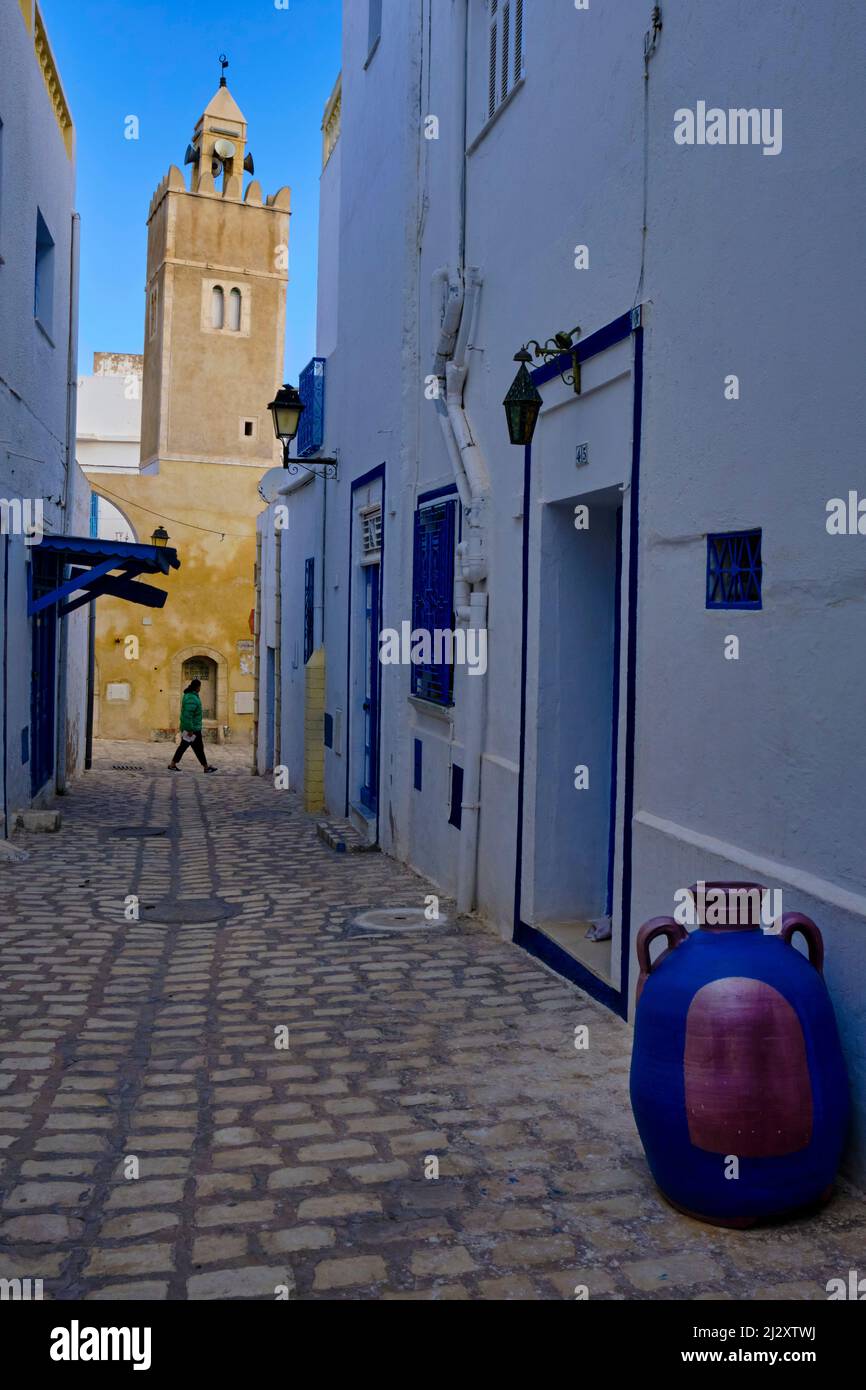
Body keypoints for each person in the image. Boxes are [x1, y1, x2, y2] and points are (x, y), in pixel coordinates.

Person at [168, 679, 217, 773]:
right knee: (196, 748)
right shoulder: (192, 698)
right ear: (197, 687)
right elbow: (188, 715)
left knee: (188, 747)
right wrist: (190, 729)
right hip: (192, 730)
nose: (200, 688)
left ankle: (173, 764)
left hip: (191, 728)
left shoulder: (189, 696)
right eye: (200, 687)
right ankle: (206, 767)